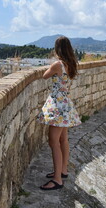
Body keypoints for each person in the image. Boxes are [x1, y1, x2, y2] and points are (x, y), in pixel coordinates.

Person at [37, 36, 81, 190]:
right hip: (66, 105)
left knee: (53, 142)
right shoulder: (72, 64)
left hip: (57, 106)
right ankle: (62, 170)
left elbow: (44, 76)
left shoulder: (57, 64)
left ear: (57, 49)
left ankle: (57, 180)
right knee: (63, 140)